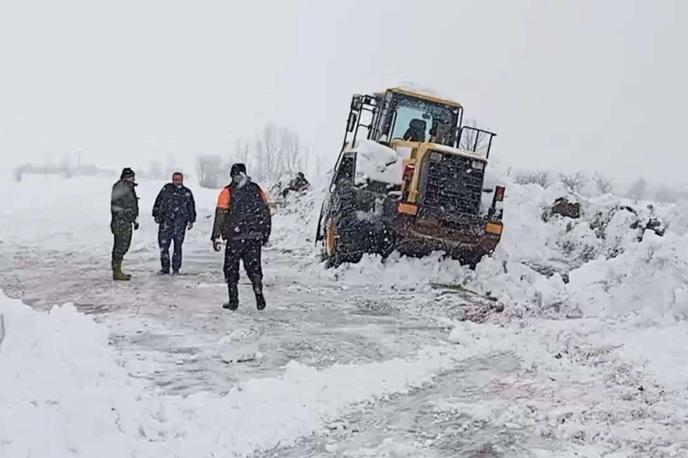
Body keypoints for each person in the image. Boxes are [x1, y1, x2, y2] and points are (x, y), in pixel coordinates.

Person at [211, 163, 271, 310]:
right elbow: (266, 211)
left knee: (231, 268)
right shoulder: (256, 189)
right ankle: (257, 290)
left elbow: (221, 213)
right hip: (254, 236)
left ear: (231, 175)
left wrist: (216, 236)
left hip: (235, 236)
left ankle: (233, 300)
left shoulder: (228, 191)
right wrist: (265, 233)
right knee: (254, 267)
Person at [152, 172, 197, 275]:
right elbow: (158, 202)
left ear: (182, 180)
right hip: (166, 223)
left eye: (179, 179)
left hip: (180, 224)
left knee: (178, 247)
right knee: (164, 246)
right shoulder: (166, 189)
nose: (177, 181)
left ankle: (176, 268)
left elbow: (191, 207)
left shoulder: (186, 192)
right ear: (172, 179)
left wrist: (191, 220)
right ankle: (165, 267)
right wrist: (156, 214)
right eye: (175, 179)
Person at [110, 168, 139, 281]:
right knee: (120, 247)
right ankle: (117, 272)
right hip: (120, 222)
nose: (133, 179)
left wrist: (134, 219)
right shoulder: (121, 187)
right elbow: (117, 205)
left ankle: (118, 270)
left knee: (124, 246)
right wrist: (126, 214)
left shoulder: (128, 187)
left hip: (126, 221)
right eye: (132, 177)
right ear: (126, 177)